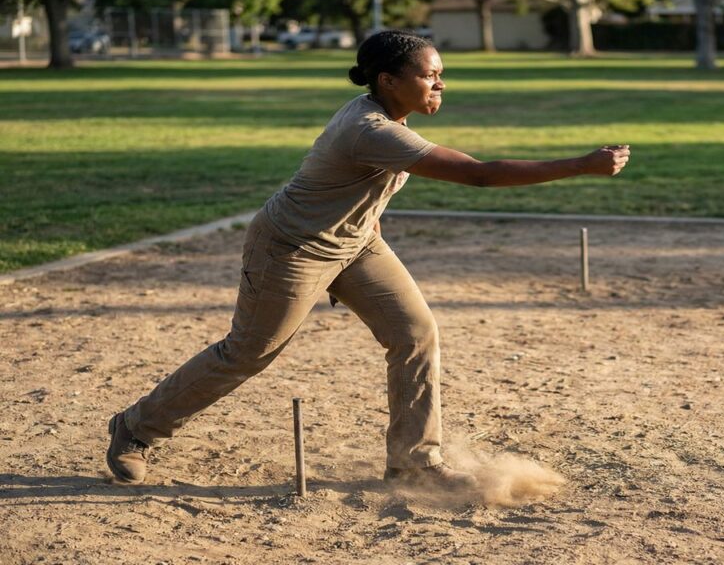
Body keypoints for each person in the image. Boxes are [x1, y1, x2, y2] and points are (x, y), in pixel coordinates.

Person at [106, 30, 630, 491]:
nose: (440, 85)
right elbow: (480, 175)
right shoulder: (371, 130)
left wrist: (359, 250)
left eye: (442, 75)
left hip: (356, 244)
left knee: (415, 333)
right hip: (291, 247)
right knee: (249, 352)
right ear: (388, 80)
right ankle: (135, 427)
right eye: (430, 75)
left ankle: (414, 464)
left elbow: (363, 193)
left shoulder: (388, 120)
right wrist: (581, 165)